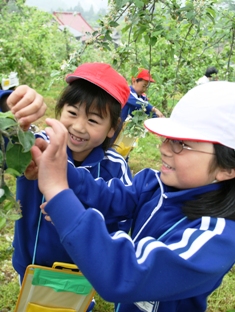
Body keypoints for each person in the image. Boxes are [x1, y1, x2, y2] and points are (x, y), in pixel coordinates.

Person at [34, 81, 235, 312]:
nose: (164, 148)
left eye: (182, 144)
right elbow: (108, 196)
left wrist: (58, 191)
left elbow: (124, 275)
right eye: (167, 138)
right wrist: (60, 167)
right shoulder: (153, 183)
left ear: (228, 168)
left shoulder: (215, 239)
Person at [12, 62, 133, 304]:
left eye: (93, 120)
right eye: (72, 113)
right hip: (31, 264)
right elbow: (7, 144)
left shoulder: (115, 167)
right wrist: (8, 103)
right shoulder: (38, 147)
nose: (78, 127)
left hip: (82, 273)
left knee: (74, 305)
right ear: (60, 110)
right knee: (34, 305)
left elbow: (123, 213)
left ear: (112, 129)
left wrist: (78, 214)